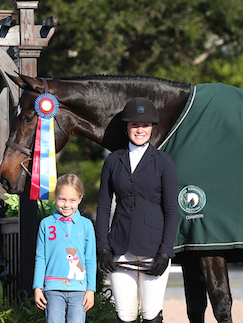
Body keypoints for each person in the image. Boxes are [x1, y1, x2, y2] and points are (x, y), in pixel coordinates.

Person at [95, 97, 178, 323]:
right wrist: (103, 246)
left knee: (151, 315)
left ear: (152, 128)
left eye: (145, 125)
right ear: (126, 127)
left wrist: (165, 251)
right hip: (120, 247)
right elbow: (103, 206)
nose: (140, 130)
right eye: (134, 125)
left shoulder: (164, 162)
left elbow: (171, 210)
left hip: (154, 249)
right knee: (125, 315)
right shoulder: (113, 161)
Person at [33, 174, 97, 323]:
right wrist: (37, 287)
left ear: (80, 199)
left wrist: (91, 289)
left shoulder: (87, 225)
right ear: (55, 197)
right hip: (52, 289)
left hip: (79, 290)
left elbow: (90, 259)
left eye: (72, 200)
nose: (67, 204)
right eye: (62, 199)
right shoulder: (46, 224)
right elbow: (40, 257)